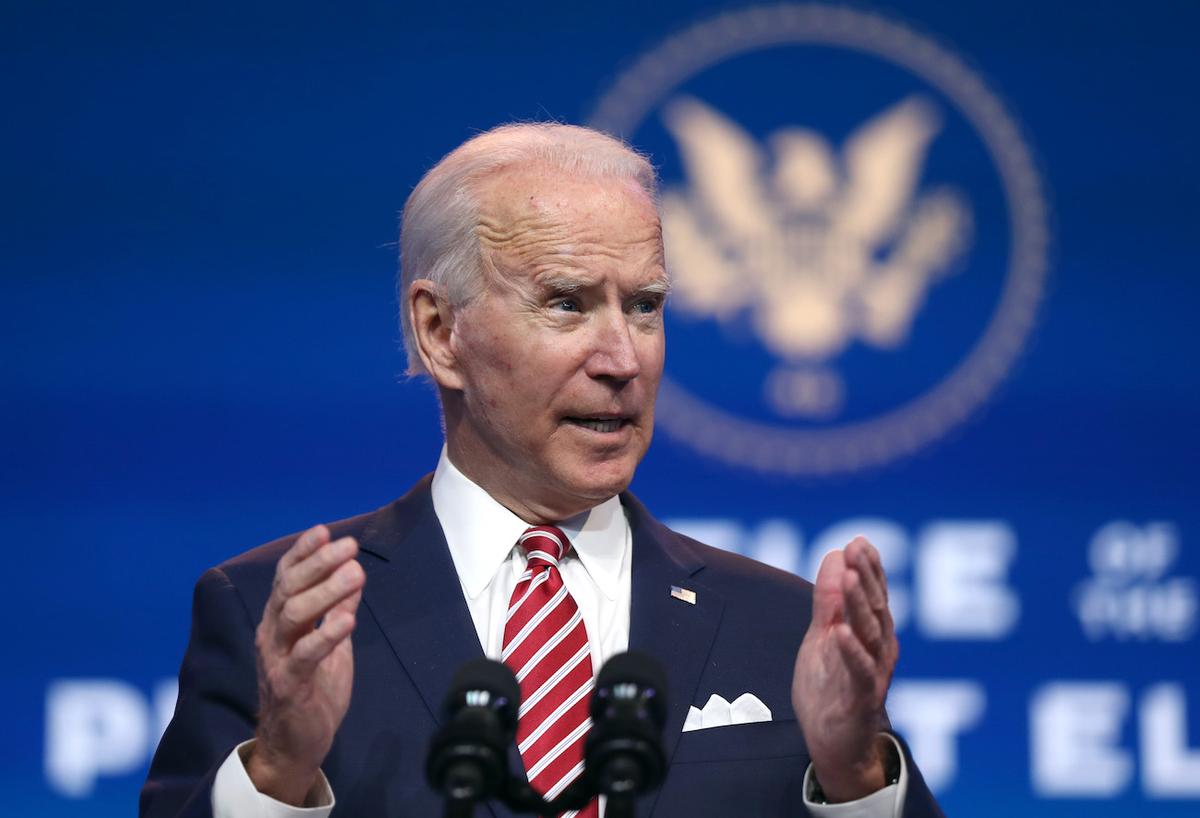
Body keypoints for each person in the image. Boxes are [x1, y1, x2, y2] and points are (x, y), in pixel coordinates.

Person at [140, 123, 942, 817]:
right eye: (566, 303)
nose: (623, 359)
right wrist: (277, 775)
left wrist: (855, 782)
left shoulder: (782, 627)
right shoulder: (276, 621)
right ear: (439, 331)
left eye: (644, 305)